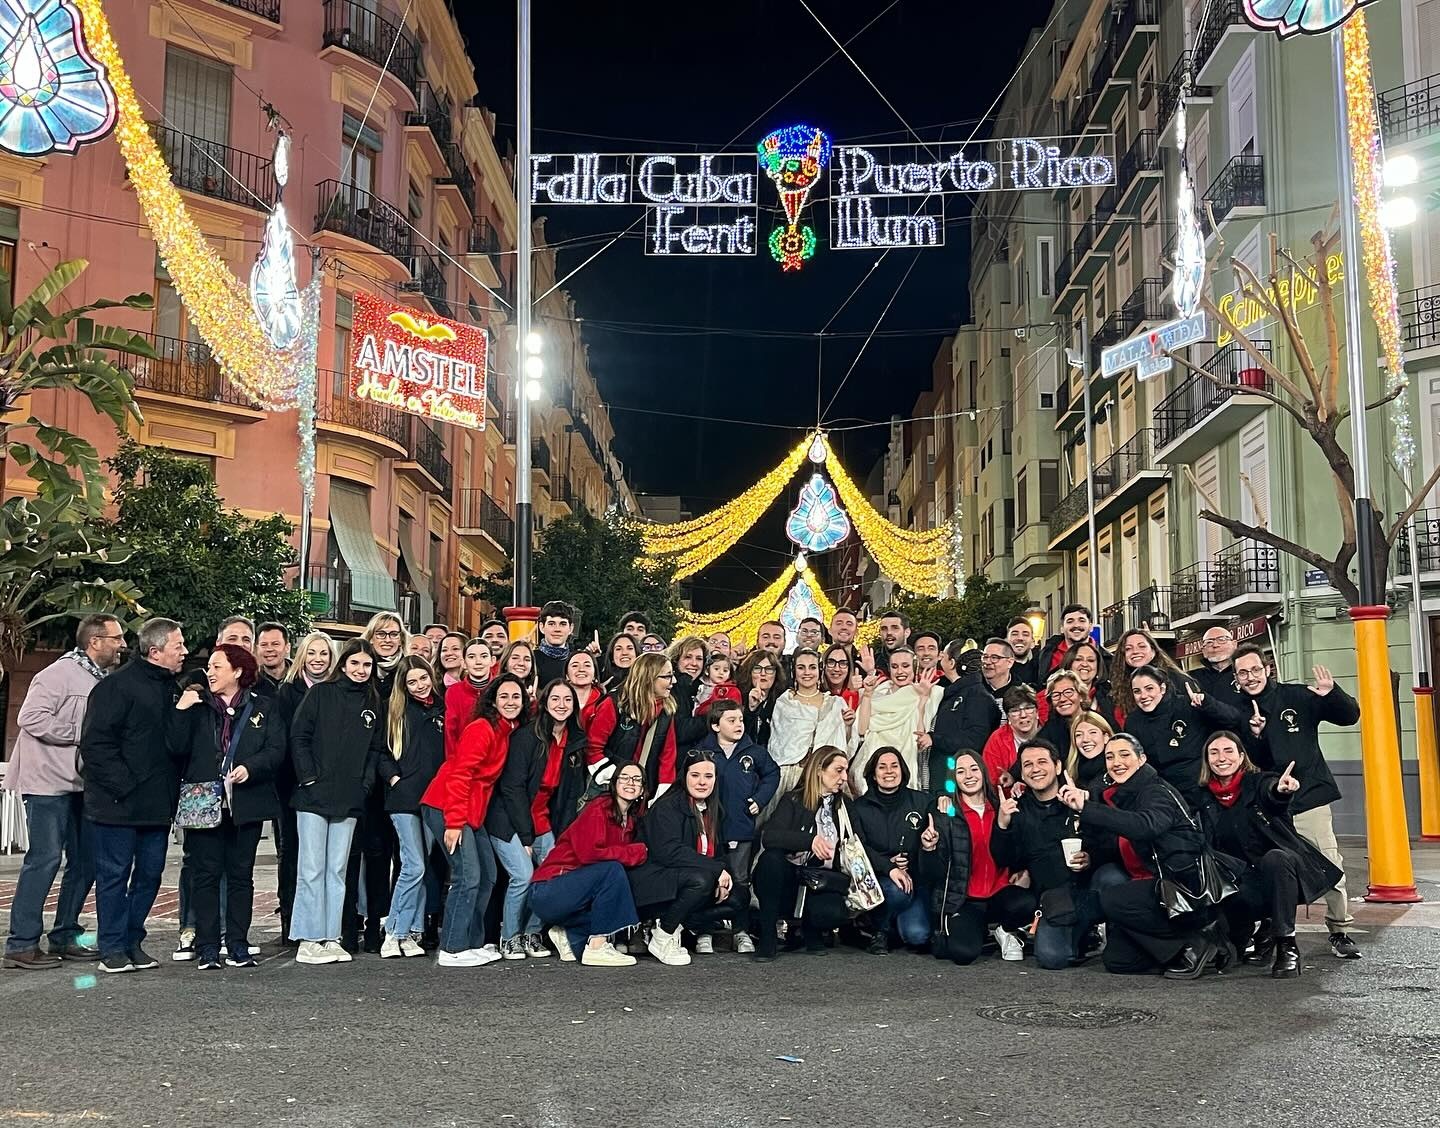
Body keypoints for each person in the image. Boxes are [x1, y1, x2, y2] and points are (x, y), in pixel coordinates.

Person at [3, 615, 126, 970]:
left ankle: (65, 934)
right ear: (95, 641)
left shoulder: (97, 678)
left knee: (85, 858)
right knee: (44, 859)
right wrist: (83, 731)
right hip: (45, 783)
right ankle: (21, 944)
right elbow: (31, 718)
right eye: (116, 638)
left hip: (76, 783)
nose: (121, 644)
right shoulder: (57, 674)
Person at [1059, 733, 1231, 979]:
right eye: (1109, 757)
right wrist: (1090, 857)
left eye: (1124, 754)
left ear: (1142, 759)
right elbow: (1114, 843)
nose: (1116, 761)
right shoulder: (1119, 795)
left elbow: (1145, 826)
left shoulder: (1155, 790)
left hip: (1182, 886)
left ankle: (1201, 937)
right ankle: (1185, 949)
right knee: (1118, 961)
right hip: (1151, 887)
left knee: (1111, 899)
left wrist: (1087, 808)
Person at [1234, 644, 1363, 959]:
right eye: (1242, 673)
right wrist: (1255, 735)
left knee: (1329, 862)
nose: (1250, 677)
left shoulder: (1296, 696)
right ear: (1236, 678)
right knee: (1269, 867)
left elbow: (1349, 716)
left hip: (1307, 800)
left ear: (1267, 669)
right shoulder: (1238, 711)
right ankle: (1269, 931)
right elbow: (1248, 761)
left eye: (1254, 669)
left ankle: (1340, 930)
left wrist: (1332, 693)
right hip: (1267, 806)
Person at [81, 617, 188, 974]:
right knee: (113, 875)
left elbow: (174, 744)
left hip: (157, 805)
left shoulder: (174, 688)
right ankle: (111, 947)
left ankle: (132, 940)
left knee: (150, 874)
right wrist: (124, 786)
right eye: (178, 645)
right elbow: (96, 745)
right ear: (155, 651)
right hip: (117, 804)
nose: (185, 651)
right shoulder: (116, 687)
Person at [171, 643, 286, 970]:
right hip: (203, 803)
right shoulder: (197, 706)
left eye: (217, 666)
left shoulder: (264, 706)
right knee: (205, 876)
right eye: (209, 667)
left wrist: (252, 767)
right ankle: (208, 948)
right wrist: (180, 709)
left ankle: (237, 943)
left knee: (240, 876)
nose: (210, 672)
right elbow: (175, 747)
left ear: (237, 671)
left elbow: (277, 748)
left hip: (245, 803)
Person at [1194, 731, 1343, 979]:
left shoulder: (1258, 782)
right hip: (1239, 881)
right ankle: (1253, 933)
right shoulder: (1204, 797)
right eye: (1214, 752)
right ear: (1207, 760)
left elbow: (1272, 794)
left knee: (1276, 858)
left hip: (1280, 875)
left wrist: (1282, 791)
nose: (1222, 758)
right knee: (1230, 949)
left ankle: (1287, 945)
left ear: (1242, 756)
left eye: (1229, 751)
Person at [420, 674, 530, 967]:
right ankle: (452, 948)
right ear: (493, 700)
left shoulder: (506, 730)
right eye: (504, 696)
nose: (510, 702)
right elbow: (461, 774)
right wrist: (454, 822)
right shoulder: (482, 728)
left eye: (516, 697)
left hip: (472, 813)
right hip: (448, 807)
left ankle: (471, 943)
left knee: (488, 876)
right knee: (467, 876)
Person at [289, 639, 387, 966]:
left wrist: (365, 784)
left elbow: (375, 750)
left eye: (367, 665)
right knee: (312, 868)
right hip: (313, 795)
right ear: (343, 664)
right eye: (355, 664)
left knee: (337, 870)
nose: (361, 670)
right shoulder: (320, 694)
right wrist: (308, 779)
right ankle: (308, 938)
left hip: (350, 797)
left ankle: (330, 936)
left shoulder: (374, 702)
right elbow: (299, 737)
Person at [993, 739, 1126, 970]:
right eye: (1028, 765)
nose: (1035, 769)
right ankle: (1085, 934)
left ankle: (1110, 932)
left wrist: (1090, 856)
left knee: (1113, 877)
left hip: (1089, 887)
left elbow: (1111, 844)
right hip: (1055, 900)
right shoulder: (1018, 810)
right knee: (1052, 958)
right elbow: (1005, 859)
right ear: (1022, 774)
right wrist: (1002, 825)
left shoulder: (1079, 797)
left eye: (1042, 762)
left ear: (1057, 767)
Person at [488, 680, 586, 959]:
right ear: (544, 702)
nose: (561, 705)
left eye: (567, 700)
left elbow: (568, 794)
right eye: (555, 699)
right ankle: (509, 938)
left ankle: (532, 933)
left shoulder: (573, 740)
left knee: (554, 874)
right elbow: (512, 788)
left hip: (542, 818)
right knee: (523, 876)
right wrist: (526, 836)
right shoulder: (528, 736)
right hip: (508, 818)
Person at [920, 749, 1036, 965]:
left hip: (999, 893)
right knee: (963, 954)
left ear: (983, 772)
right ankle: (979, 930)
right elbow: (931, 873)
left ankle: (1005, 930)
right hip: (965, 899)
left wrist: (1004, 826)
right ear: (954, 778)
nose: (969, 776)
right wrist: (929, 847)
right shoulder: (946, 813)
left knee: (1028, 903)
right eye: (961, 771)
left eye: (974, 769)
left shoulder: (1002, 807)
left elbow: (1015, 854)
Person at [530, 766, 649, 967]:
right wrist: (635, 852)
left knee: (610, 903)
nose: (631, 783)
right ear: (614, 783)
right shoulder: (599, 809)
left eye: (637, 779)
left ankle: (565, 933)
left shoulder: (630, 820)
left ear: (643, 789)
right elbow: (590, 854)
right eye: (625, 777)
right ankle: (597, 947)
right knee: (613, 870)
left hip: (574, 898)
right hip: (549, 889)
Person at [632, 751, 742, 965]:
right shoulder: (668, 806)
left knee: (738, 896)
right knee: (701, 879)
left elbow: (718, 853)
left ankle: (675, 924)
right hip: (652, 879)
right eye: (695, 775)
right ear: (685, 776)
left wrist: (720, 873)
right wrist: (715, 870)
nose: (702, 782)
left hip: (689, 877)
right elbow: (668, 852)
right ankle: (662, 936)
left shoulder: (714, 809)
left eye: (708, 776)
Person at [753, 747, 863, 961]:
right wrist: (809, 841)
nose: (843, 778)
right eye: (838, 770)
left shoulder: (845, 806)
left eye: (845, 771)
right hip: (790, 880)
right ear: (819, 771)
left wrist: (892, 868)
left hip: (824, 881)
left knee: (833, 913)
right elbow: (770, 837)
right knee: (770, 859)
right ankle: (768, 938)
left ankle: (810, 930)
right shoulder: (794, 800)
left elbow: (861, 847)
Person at [693, 700, 777, 952]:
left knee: (740, 880)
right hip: (710, 828)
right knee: (708, 879)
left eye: (740, 719)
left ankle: (741, 931)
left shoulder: (754, 751)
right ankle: (705, 931)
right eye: (731, 720)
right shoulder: (702, 752)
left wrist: (760, 800)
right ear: (716, 725)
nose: (738, 724)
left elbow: (772, 774)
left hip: (741, 828)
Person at [376, 655, 445, 959]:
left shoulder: (442, 708)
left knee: (422, 865)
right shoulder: (395, 711)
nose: (419, 686)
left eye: (423, 678)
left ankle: (411, 932)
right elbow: (379, 750)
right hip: (403, 798)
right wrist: (393, 779)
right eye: (412, 681)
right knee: (413, 864)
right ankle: (394, 931)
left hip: (434, 798)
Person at [275, 632, 336, 944]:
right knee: (294, 855)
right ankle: (292, 925)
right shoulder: (287, 692)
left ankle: (325, 925)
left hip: (331, 787)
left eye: (324, 653)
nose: (318, 659)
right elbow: (288, 741)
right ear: (301, 656)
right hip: (294, 786)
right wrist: (306, 778)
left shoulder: (336, 691)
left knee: (326, 862)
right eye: (312, 653)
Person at [854, 749, 934, 954]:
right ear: (873, 774)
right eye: (882, 767)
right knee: (897, 891)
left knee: (917, 935)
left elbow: (934, 842)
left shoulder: (922, 802)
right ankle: (879, 929)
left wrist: (921, 852)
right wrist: (888, 866)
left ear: (902, 770)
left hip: (915, 879)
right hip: (879, 879)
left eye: (894, 766)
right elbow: (858, 849)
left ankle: (885, 924)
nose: (889, 771)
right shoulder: (860, 807)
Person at [1122, 664, 1243, 799]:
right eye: (1137, 691)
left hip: (1202, 788)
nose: (1143, 696)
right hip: (1165, 793)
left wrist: (1207, 703)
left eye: (1149, 688)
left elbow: (1233, 719)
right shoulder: (1133, 722)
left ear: (1162, 688)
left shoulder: (1188, 704)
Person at [765, 647, 851, 820]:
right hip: (791, 776)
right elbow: (777, 745)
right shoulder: (784, 702)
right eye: (801, 667)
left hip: (826, 776)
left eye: (812, 667)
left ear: (819, 670)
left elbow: (844, 745)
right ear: (794, 671)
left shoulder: (836, 703)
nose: (807, 672)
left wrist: (848, 726)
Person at [587, 653, 679, 796]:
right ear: (648, 678)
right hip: (607, 789)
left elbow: (668, 757)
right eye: (667, 676)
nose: (674, 680)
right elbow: (592, 747)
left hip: (642, 791)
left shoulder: (666, 710)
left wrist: (661, 794)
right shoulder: (614, 703)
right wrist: (618, 778)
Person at [855, 647, 939, 791]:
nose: (900, 672)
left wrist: (923, 699)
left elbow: (920, 738)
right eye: (895, 667)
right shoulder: (878, 690)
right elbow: (862, 730)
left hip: (906, 762)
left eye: (905, 666)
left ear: (914, 667)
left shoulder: (927, 692)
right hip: (872, 761)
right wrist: (868, 694)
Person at [929, 640, 1006, 794]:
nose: (940, 657)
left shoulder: (978, 696)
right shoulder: (955, 693)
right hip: (946, 778)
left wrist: (934, 739)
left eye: (943, 654)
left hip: (956, 782)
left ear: (951, 663)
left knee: (952, 815)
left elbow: (975, 740)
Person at [1110, 628, 1190, 724]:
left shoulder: (1177, 679)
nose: (1135, 651)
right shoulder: (1120, 686)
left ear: (1153, 651)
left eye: (1142, 646)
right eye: (1128, 649)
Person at [981, 685, 1041, 787]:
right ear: (1008, 717)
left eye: (1028, 708)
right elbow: (991, 783)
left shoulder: (1051, 733)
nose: (1023, 715)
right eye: (1015, 711)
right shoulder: (997, 740)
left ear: (1037, 712)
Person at [445, 639, 494, 754]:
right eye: (471, 657)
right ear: (463, 662)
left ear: (492, 661)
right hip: (463, 759)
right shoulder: (454, 692)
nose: (478, 662)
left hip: (497, 762)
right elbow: (450, 733)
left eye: (483, 656)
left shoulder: (501, 688)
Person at [1060, 639, 1119, 725]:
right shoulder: (1051, 694)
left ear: (1098, 666)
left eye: (1090, 660)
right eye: (1078, 659)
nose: (1084, 664)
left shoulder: (1112, 695)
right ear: (1069, 663)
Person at [737, 649, 786, 746]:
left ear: (776, 674)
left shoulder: (782, 701)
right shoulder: (738, 698)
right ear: (749, 673)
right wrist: (751, 710)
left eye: (769, 669)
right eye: (757, 668)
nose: (763, 674)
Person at [1192, 627, 1245, 714]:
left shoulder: (1245, 674)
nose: (1215, 645)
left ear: (1234, 644)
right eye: (1209, 642)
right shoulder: (1193, 678)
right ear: (1203, 650)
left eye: (1222, 640)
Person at [1036, 670, 1086, 760]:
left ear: (1081, 695)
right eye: (1056, 695)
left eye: (1068, 692)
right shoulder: (1050, 730)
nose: (1062, 699)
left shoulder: (1099, 721)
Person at [1066, 711, 1115, 789]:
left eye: (1092, 732)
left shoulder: (1118, 768)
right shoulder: (1072, 773)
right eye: (1079, 735)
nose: (1085, 739)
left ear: (1106, 737)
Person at [534, 601, 577, 686]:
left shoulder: (577, 660)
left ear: (571, 628)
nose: (557, 629)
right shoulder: (531, 660)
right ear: (541, 627)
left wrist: (596, 659)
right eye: (551, 624)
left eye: (563, 624)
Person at [566, 649, 607, 731]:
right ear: (566, 675)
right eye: (575, 665)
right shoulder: (555, 699)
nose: (581, 669)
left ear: (595, 674)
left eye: (587, 665)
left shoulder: (604, 702)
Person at [693, 650, 741, 715]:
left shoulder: (733, 691)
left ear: (729, 674)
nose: (721, 673)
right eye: (716, 669)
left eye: (725, 670)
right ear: (707, 670)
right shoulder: (699, 687)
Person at [821, 644, 860, 713]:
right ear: (824, 666)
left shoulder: (857, 694)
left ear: (849, 668)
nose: (836, 669)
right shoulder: (816, 693)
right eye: (831, 662)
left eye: (843, 663)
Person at [255, 623, 291, 695]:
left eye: (275, 644)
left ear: (287, 647)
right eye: (264, 645)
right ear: (257, 648)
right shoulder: (250, 682)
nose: (269, 649)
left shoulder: (303, 678)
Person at [1007, 617, 1041, 689]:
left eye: (1025, 634)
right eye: (1015, 634)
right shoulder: (997, 668)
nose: (1020, 638)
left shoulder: (1042, 669)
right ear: (1007, 641)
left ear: (1033, 642)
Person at [875, 610, 911, 675]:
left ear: (907, 632)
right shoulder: (873, 663)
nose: (889, 633)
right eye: (884, 628)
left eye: (895, 628)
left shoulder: (918, 660)